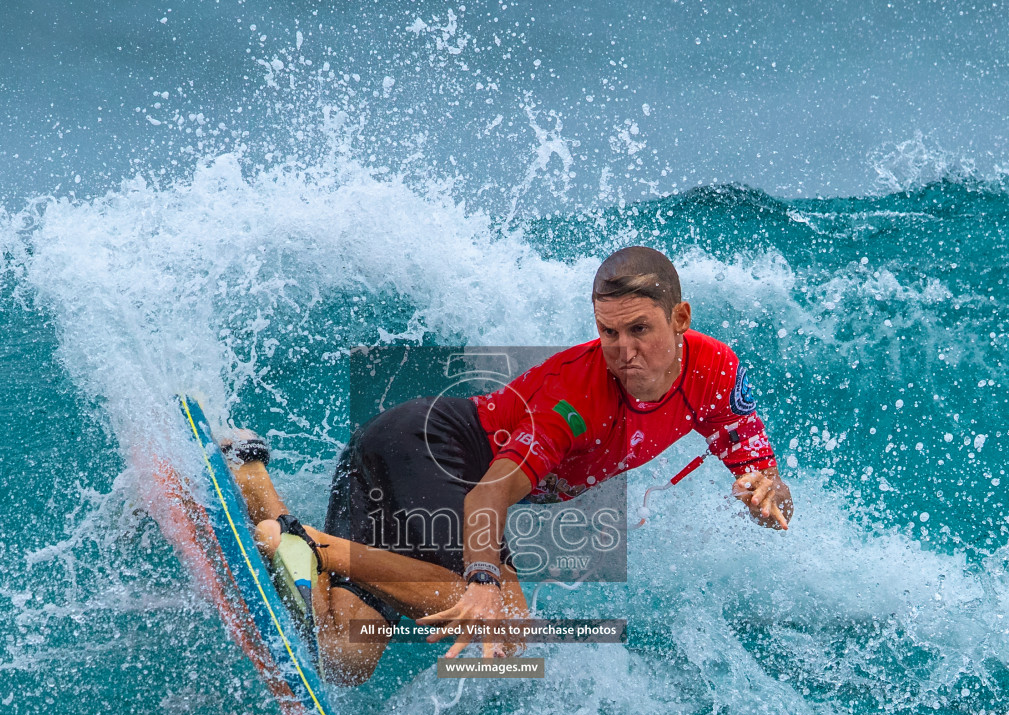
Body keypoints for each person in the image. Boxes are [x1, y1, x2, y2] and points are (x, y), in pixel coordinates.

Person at [223, 246, 792, 686]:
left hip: (409, 458)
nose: (623, 350)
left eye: (639, 329)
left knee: (345, 660)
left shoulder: (716, 369)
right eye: (607, 332)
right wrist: (480, 581)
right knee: (507, 628)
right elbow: (487, 496)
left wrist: (770, 496)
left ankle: (259, 492)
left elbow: (762, 470)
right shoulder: (576, 396)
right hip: (426, 450)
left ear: (681, 317)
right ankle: (312, 542)